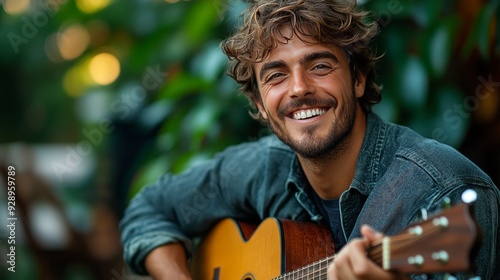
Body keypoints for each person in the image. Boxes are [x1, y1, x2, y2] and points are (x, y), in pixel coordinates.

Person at [120, 0, 500, 279]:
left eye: (319, 65)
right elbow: (150, 209)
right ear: (258, 103)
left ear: (358, 79)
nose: (299, 89)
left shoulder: (444, 191)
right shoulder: (262, 167)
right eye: (276, 76)